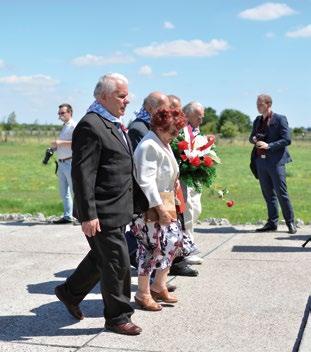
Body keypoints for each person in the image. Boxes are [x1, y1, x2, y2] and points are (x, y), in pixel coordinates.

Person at [54, 73, 148, 336]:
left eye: (127, 94)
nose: (127, 100)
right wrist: (88, 214)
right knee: (117, 261)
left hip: (118, 208)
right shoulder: (90, 125)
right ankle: (117, 317)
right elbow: (83, 174)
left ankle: (69, 292)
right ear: (103, 97)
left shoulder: (113, 122)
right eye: (121, 95)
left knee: (101, 257)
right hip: (101, 211)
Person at [128, 93, 198, 277]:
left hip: (164, 199)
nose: (175, 135)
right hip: (150, 204)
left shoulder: (162, 140)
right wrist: (159, 208)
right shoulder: (147, 139)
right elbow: (146, 179)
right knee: (150, 248)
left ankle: (158, 285)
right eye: (173, 131)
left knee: (168, 243)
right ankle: (146, 291)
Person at [250, 94, 297, 234]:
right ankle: (272, 223)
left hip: (276, 162)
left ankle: (290, 223)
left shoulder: (280, 118)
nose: (257, 106)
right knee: (268, 194)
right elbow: (251, 137)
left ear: (268, 104)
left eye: (260, 104)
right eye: (257, 103)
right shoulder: (257, 120)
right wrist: (254, 139)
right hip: (260, 162)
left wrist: (268, 145)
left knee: (281, 193)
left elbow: (286, 140)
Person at [180, 101, 205, 265]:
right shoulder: (182, 130)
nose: (201, 121)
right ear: (187, 115)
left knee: (195, 209)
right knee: (187, 212)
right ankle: (186, 250)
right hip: (184, 177)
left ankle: (189, 244)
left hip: (195, 177)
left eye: (202, 117)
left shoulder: (196, 130)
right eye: (198, 117)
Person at [52, 104, 76, 224]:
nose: (60, 115)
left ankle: (81, 217)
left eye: (62, 113)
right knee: (64, 192)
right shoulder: (65, 126)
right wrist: (55, 148)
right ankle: (68, 216)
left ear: (69, 113)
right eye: (59, 113)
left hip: (70, 162)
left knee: (74, 191)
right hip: (61, 163)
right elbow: (62, 144)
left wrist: (60, 142)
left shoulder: (73, 126)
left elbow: (76, 143)